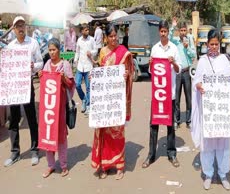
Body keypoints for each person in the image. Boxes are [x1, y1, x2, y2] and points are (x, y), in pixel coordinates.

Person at [191, 29, 230, 191]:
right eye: (211, 44)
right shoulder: (202, 61)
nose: (214, 47)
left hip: (220, 112)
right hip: (208, 110)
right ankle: (208, 173)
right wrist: (199, 86)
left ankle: (223, 174)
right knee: (207, 142)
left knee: (223, 142)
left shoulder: (224, 60)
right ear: (207, 44)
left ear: (220, 44)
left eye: (216, 44)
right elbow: (197, 80)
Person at [91, 24, 134, 180]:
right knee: (104, 132)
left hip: (118, 98)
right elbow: (101, 73)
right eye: (111, 36)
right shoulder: (102, 52)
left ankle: (119, 166)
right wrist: (93, 77)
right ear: (106, 37)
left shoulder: (123, 52)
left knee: (117, 133)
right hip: (105, 100)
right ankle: (104, 165)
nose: (114, 39)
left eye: (116, 35)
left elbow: (130, 73)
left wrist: (127, 75)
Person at [4, 16, 43, 167]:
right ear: (13, 29)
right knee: (13, 119)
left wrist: (33, 66)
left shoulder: (33, 43)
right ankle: (15, 152)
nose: (20, 28)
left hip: (27, 85)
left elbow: (40, 62)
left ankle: (35, 150)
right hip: (13, 87)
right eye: (17, 26)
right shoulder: (10, 47)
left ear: (26, 27)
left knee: (31, 117)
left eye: (22, 25)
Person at [142, 20, 182, 169]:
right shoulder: (155, 49)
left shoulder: (174, 48)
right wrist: (150, 63)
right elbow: (151, 72)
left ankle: (172, 154)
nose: (164, 34)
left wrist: (173, 63)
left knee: (170, 125)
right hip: (158, 95)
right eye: (162, 31)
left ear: (168, 32)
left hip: (169, 94)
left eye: (165, 31)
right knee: (154, 125)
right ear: (159, 32)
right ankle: (151, 155)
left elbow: (178, 70)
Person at [38, 38, 75, 178]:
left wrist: (63, 78)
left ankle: (64, 165)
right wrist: (41, 75)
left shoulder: (65, 65)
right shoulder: (47, 64)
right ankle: (51, 165)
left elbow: (71, 84)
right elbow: (45, 83)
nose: (52, 52)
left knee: (60, 136)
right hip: (49, 109)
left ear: (59, 50)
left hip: (60, 108)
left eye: (54, 49)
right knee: (48, 135)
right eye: (50, 50)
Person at [169, 18, 196, 130]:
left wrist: (187, 47)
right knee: (177, 97)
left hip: (187, 72)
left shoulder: (189, 40)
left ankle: (189, 120)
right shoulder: (175, 41)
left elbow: (193, 55)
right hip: (177, 72)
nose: (183, 33)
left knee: (189, 97)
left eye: (185, 30)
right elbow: (168, 38)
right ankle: (177, 120)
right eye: (181, 30)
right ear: (179, 31)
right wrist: (173, 26)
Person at [74, 23, 97, 115]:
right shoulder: (79, 40)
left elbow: (96, 50)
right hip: (80, 66)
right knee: (77, 85)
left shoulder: (92, 40)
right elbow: (77, 52)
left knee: (88, 87)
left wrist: (91, 52)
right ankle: (84, 99)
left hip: (88, 66)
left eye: (88, 29)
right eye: (86, 30)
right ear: (81, 31)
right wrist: (75, 60)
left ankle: (87, 105)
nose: (87, 31)